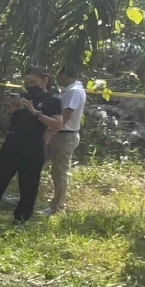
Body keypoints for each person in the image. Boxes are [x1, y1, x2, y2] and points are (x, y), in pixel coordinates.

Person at [0, 67, 63, 224]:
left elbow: (57, 125)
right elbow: (3, 123)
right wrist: (11, 110)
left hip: (34, 144)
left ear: (45, 80)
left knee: (28, 183)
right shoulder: (21, 97)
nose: (29, 85)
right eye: (27, 82)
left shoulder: (52, 100)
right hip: (12, 142)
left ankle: (20, 219)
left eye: (33, 82)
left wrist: (34, 112)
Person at [42, 65, 86, 215]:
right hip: (59, 133)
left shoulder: (73, 92)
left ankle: (58, 207)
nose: (57, 78)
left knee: (59, 171)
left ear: (67, 75)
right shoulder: (68, 91)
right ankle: (25, 195)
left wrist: (50, 133)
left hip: (64, 135)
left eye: (59, 75)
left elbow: (65, 116)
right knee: (36, 165)